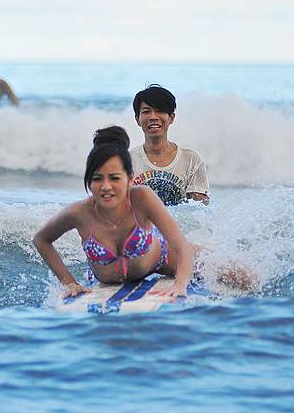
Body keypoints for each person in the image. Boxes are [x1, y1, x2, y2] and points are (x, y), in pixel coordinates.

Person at [33, 126, 195, 300]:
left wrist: (180, 285)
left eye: (115, 178)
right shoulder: (78, 213)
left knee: (224, 272)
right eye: (97, 178)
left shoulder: (142, 197)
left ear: (130, 178)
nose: (106, 187)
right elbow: (41, 240)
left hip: (162, 260)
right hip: (105, 281)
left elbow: (183, 247)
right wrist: (70, 283)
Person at [131, 84, 209, 206]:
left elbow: (199, 212)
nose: (153, 117)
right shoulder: (127, 161)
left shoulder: (190, 159)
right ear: (137, 119)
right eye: (146, 112)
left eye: (160, 111)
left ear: (171, 117)